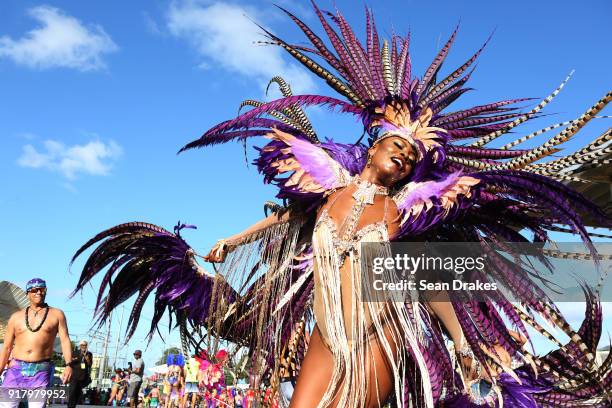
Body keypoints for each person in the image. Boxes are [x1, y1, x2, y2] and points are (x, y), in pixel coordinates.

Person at [70, 2, 612, 407]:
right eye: (395, 146)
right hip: (326, 330)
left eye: (411, 156)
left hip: (381, 333)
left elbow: (432, 280)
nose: (401, 158)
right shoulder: (328, 189)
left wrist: (470, 344)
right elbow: (287, 217)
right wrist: (233, 241)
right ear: (374, 143)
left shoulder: (405, 213)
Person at [0, 278, 73, 408]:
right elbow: (6, 347)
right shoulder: (16, 317)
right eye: (34, 290)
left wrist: (68, 365)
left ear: (46, 291)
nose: (38, 292)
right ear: (27, 293)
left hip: (41, 371)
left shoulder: (57, 314)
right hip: (15, 370)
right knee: (6, 406)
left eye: (42, 289)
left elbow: (65, 340)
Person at [67, 340, 93, 408]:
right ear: (80, 346)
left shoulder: (89, 354)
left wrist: (87, 358)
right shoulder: (75, 352)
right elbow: (71, 362)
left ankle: (73, 405)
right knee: (72, 391)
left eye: (85, 345)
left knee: (78, 393)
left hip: (83, 376)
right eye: (82, 345)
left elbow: (90, 364)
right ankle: (70, 406)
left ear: (87, 346)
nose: (83, 347)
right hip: (74, 376)